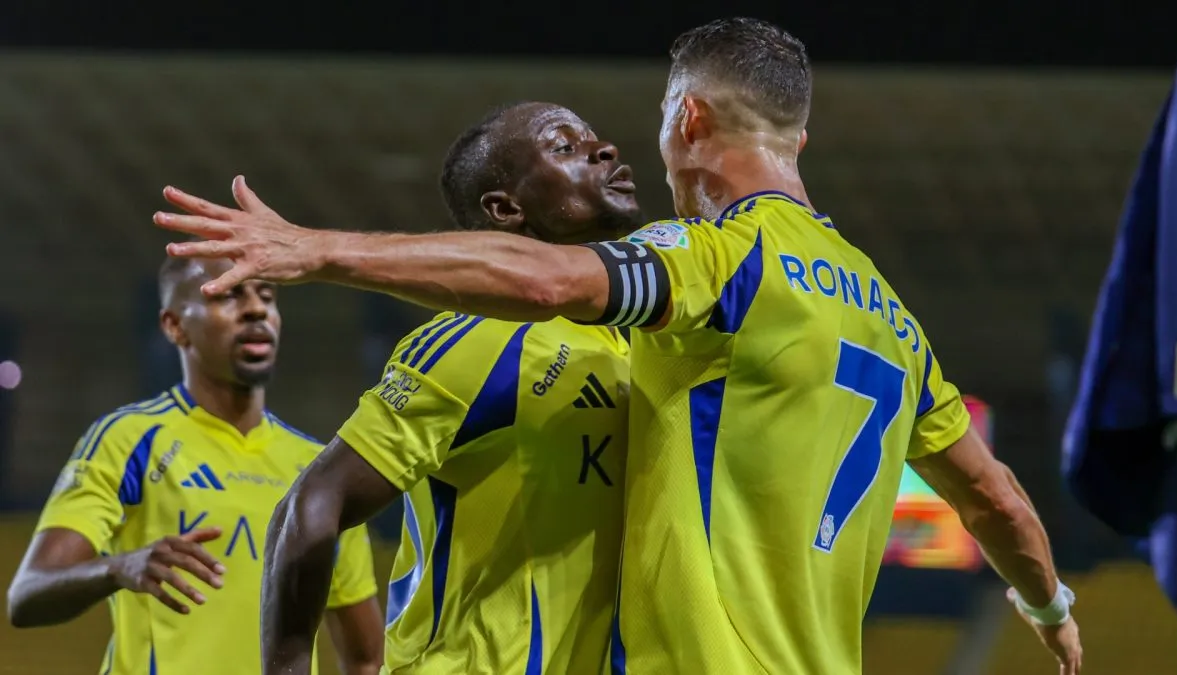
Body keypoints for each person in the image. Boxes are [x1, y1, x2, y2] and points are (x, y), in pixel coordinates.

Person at [153, 17, 1083, 675]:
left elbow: (553, 282)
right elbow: (995, 495)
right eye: (572, 145)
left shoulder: (714, 265)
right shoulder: (892, 318)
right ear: (800, 133)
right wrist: (1050, 610)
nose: (608, 153)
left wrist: (316, 249)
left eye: (613, 135)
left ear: (687, 122)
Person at [255, 102, 641, 675]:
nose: (603, 149)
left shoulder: (642, 336)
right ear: (505, 209)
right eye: (564, 147)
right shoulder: (481, 337)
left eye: (594, 139)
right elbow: (311, 504)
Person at [6, 257, 384, 675]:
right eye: (228, 294)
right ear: (174, 326)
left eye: (266, 295)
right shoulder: (128, 438)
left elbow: (365, 658)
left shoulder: (320, 469)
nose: (257, 309)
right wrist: (120, 566)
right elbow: (27, 595)